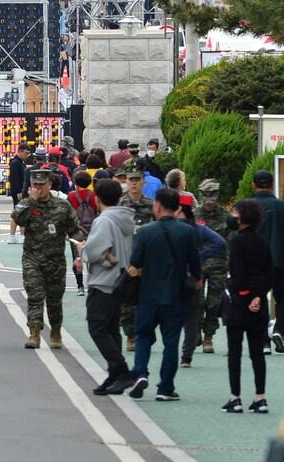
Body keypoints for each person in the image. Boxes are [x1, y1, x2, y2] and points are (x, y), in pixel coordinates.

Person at [125, 188, 201, 401]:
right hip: (175, 296)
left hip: (148, 294)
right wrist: (196, 280)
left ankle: (140, 372)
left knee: (143, 337)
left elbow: (136, 261)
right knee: (171, 342)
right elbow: (195, 263)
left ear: (157, 206)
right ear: (178, 208)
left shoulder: (145, 232)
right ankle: (165, 387)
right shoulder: (187, 232)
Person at [13, 169, 85, 349]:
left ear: (49, 185)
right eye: (35, 185)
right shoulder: (27, 204)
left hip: (55, 261)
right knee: (35, 295)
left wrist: (79, 248)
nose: (38, 188)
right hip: (32, 259)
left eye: (41, 185)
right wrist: (31, 200)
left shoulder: (62, 206)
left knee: (54, 299)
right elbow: (17, 219)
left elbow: (75, 230)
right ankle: (34, 332)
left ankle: (56, 330)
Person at [81, 179, 135, 395]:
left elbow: (95, 250)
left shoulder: (103, 221)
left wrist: (82, 250)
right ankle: (114, 373)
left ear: (97, 198)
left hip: (103, 280)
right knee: (111, 327)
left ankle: (121, 370)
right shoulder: (124, 218)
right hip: (119, 278)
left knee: (97, 327)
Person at [222, 199, 272, 414]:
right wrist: (258, 297)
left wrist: (244, 295)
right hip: (258, 305)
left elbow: (238, 274)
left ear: (242, 218)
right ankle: (260, 397)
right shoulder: (262, 242)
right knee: (257, 353)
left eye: (235, 213)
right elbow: (270, 273)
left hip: (238, 305)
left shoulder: (237, 242)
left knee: (235, 352)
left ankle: (236, 397)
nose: (232, 216)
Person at [247, 169, 284, 355]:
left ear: (254, 184)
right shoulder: (282, 206)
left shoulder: (248, 206)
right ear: (271, 185)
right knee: (281, 298)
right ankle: (278, 330)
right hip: (277, 260)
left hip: (254, 262)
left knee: (257, 299)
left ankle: (264, 342)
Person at [178, 195, 226, 369]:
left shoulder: (167, 228)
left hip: (172, 277)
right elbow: (220, 242)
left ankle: (205, 337)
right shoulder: (196, 227)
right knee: (193, 315)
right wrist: (200, 256)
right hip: (194, 276)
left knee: (186, 315)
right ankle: (186, 356)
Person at [193, 179, 235, 355]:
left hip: (219, 265)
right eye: (206, 195)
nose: (209, 199)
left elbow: (231, 243)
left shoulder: (226, 217)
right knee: (197, 301)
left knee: (213, 302)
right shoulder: (194, 215)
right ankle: (195, 332)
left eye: (213, 195)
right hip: (198, 264)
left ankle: (208, 336)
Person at [118, 163, 156, 353]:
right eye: (130, 180)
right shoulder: (120, 205)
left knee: (147, 301)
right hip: (125, 260)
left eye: (137, 180)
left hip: (148, 262)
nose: (133, 184)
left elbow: (158, 232)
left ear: (143, 182)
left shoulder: (151, 206)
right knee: (126, 303)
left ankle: (144, 333)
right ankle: (131, 335)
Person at [67, 169, 98, 296]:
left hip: (76, 230)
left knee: (77, 258)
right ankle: (93, 284)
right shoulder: (94, 196)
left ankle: (80, 286)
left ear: (75, 182)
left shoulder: (71, 196)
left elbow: (68, 214)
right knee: (94, 258)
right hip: (93, 230)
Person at [7, 143, 30, 244]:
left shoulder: (19, 162)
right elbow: (14, 179)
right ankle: (18, 235)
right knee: (20, 213)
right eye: (26, 153)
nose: (27, 155)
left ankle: (18, 235)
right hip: (18, 192)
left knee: (18, 213)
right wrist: (18, 192)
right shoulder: (15, 163)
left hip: (20, 191)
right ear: (20, 151)